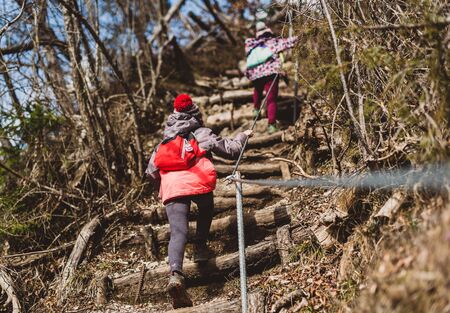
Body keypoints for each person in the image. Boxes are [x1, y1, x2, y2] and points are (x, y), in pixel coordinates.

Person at [146, 94, 252, 309]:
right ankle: (201, 246)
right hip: (198, 182)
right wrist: (243, 136)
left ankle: (176, 274)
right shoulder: (201, 133)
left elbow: (151, 171)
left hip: (173, 186)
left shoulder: (164, 141)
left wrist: (163, 187)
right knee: (206, 207)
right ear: (195, 113)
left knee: (178, 232)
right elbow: (231, 151)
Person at [245, 22, 298, 134]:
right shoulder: (273, 42)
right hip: (270, 72)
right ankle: (271, 125)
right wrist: (301, 36)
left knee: (257, 90)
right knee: (271, 99)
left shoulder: (251, 44)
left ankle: (256, 110)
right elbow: (290, 42)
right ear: (268, 31)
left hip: (255, 73)